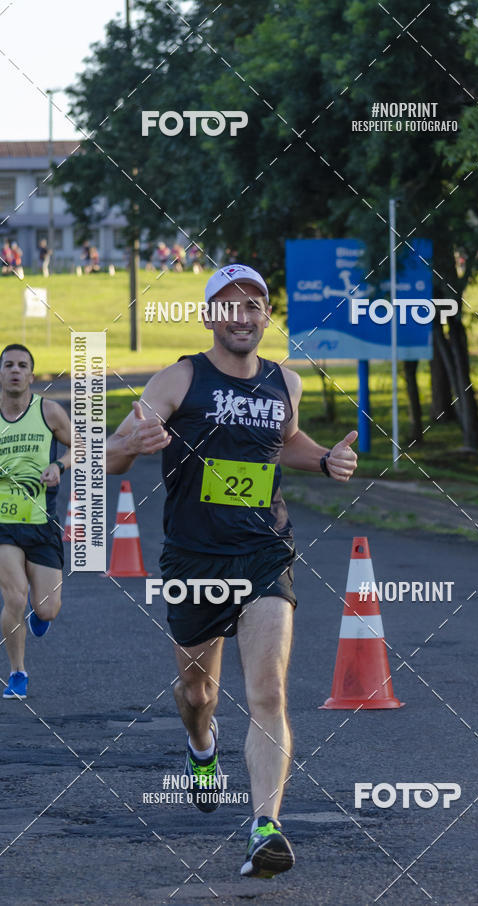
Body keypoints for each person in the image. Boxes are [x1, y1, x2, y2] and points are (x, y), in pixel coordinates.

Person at [106, 264, 358, 879]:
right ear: (209, 316)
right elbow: (108, 455)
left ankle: (265, 827)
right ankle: (200, 745)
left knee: (267, 691)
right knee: (199, 694)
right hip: (193, 559)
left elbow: (287, 439)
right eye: (229, 306)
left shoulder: (285, 383)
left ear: (266, 317)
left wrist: (323, 459)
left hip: (265, 553)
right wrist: (133, 445)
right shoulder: (180, 379)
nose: (242, 316)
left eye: (254, 306)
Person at [0, 344, 71, 700]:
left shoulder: (49, 412)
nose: (15, 370)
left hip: (42, 522)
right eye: (8, 364)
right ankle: (17, 673)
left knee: (48, 608)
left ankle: (38, 617)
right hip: (3, 524)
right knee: (15, 595)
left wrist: (59, 466)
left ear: (30, 375)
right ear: (1, 373)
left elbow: (81, 445)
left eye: (22, 365)